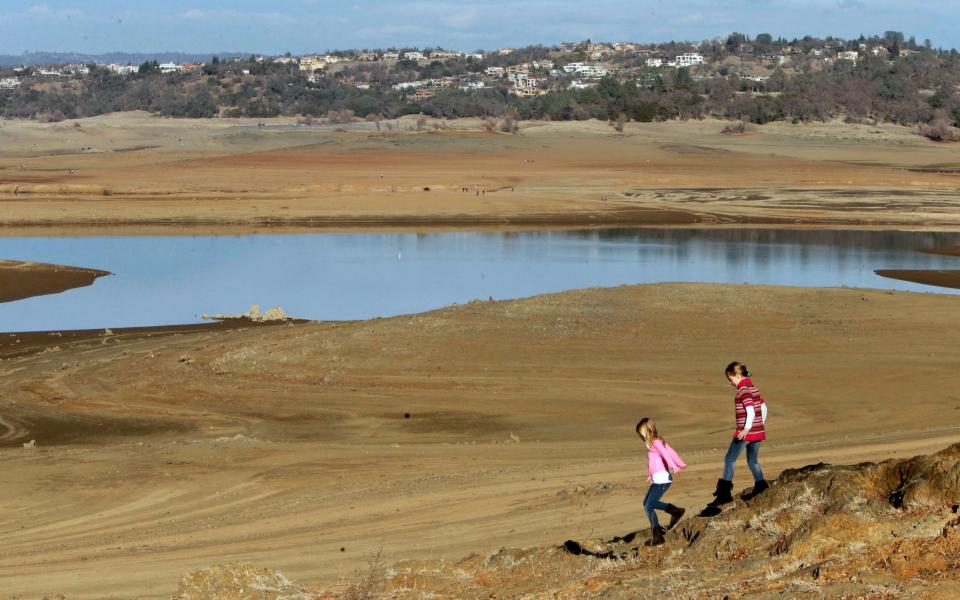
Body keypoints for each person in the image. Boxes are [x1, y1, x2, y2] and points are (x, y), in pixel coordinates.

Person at [701, 362, 769, 517]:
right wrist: (759, 425)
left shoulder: (744, 390)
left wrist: (746, 429)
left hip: (746, 432)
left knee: (729, 459)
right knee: (753, 461)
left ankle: (724, 495)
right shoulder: (754, 388)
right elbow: (764, 408)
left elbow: (750, 410)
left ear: (738, 375)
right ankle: (761, 485)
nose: (730, 382)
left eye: (730, 379)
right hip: (757, 432)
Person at [636, 418, 687, 546]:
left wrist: (674, 466)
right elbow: (654, 461)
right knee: (646, 503)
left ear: (649, 429)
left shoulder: (656, 442)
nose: (641, 435)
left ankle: (658, 535)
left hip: (663, 480)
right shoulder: (651, 443)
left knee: (648, 506)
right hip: (657, 479)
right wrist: (650, 475)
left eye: (642, 431)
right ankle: (675, 511)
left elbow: (666, 454)